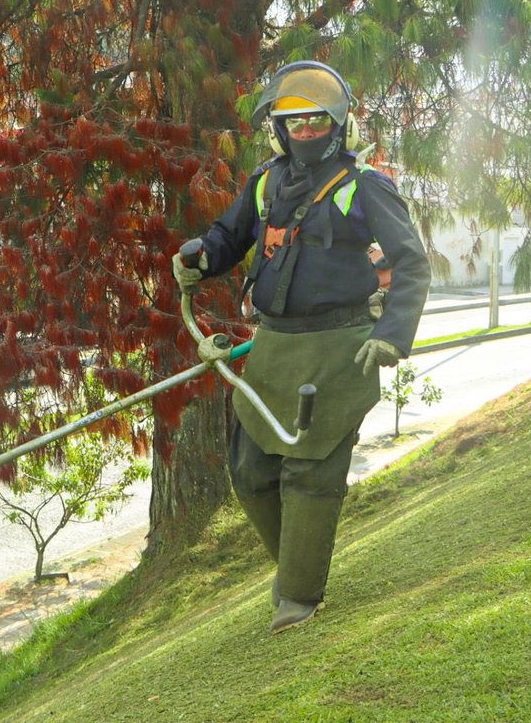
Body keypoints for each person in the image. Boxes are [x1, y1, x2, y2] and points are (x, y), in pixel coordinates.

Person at [172, 61, 430, 633]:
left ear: (339, 126)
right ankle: (296, 566)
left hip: (341, 349)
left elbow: (412, 262)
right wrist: (201, 255)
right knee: (252, 470)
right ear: (279, 130)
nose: (305, 132)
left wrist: (391, 336)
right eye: (294, 124)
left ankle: (298, 596)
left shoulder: (366, 186)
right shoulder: (264, 182)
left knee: (310, 474)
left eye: (316, 122)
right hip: (274, 347)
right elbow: (228, 237)